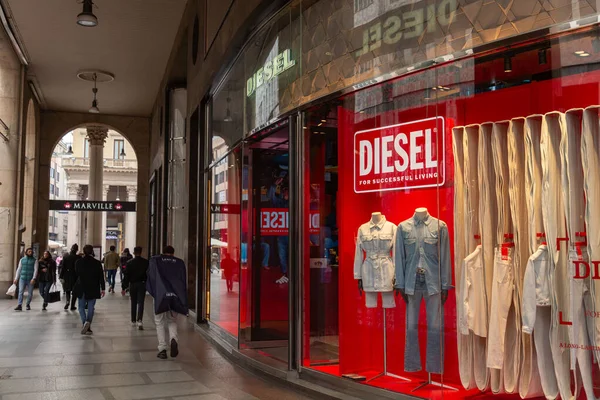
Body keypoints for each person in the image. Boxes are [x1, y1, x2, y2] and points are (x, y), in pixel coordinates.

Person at [146, 245, 188, 359]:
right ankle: (173, 339)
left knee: (159, 322)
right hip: (175, 296)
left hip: (160, 296)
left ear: (163, 253)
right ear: (173, 253)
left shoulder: (155, 261)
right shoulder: (179, 263)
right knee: (172, 320)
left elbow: (151, 278)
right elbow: (183, 281)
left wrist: (154, 293)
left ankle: (162, 349)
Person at [75, 245, 105, 335]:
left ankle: (85, 323)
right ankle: (88, 323)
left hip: (82, 286)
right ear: (92, 251)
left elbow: (77, 273)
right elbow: (101, 277)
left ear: (83, 252)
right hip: (93, 287)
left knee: (81, 307)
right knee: (91, 307)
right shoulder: (97, 263)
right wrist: (103, 288)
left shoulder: (78, 262)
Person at [121, 246, 149, 330]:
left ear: (134, 252)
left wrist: (124, 287)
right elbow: (148, 274)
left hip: (132, 284)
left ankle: (133, 320)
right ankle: (139, 320)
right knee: (141, 302)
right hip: (142, 284)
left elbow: (126, 275)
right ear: (141, 252)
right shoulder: (146, 262)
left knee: (133, 302)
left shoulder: (129, 262)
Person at [59, 244, 81, 310]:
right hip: (75, 276)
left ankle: (67, 301)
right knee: (75, 291)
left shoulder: (66, 257)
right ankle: (72, 305)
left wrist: (61, 276)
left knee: (67, 290)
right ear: (76, 250)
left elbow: (63, 267)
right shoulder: (78, 257)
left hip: (67, 275)